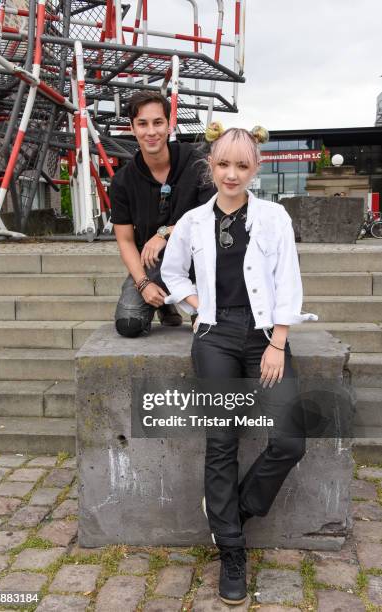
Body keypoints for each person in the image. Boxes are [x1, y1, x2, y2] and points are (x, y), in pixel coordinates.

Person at [161, 127, 318, 605]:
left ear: (257, 168)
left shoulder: (273, 217)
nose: (232, 174)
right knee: (221, 438)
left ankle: (234, 509)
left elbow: (287, 279)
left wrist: (277, 342)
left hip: (264, 334)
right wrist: (195, 305)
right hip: (215, 336)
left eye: (242, 166)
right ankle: (231, 549)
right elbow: (171, 271)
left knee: (290, 439)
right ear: (210, 164)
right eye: (223, 164)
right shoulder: (191, 221)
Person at [110, 90, 215, 337]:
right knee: (128, 324)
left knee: (210, 326)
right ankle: (164, 304)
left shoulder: (196, 162)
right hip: (155, 265)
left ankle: (186, 300)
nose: (151, 131)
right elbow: (125, 241)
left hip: (199, 260)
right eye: (142, 124)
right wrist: (143, 283)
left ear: (170, 125)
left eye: (158, 122)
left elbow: (212, 216)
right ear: (133, 128)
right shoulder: (122, 181)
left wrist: (165, 232)